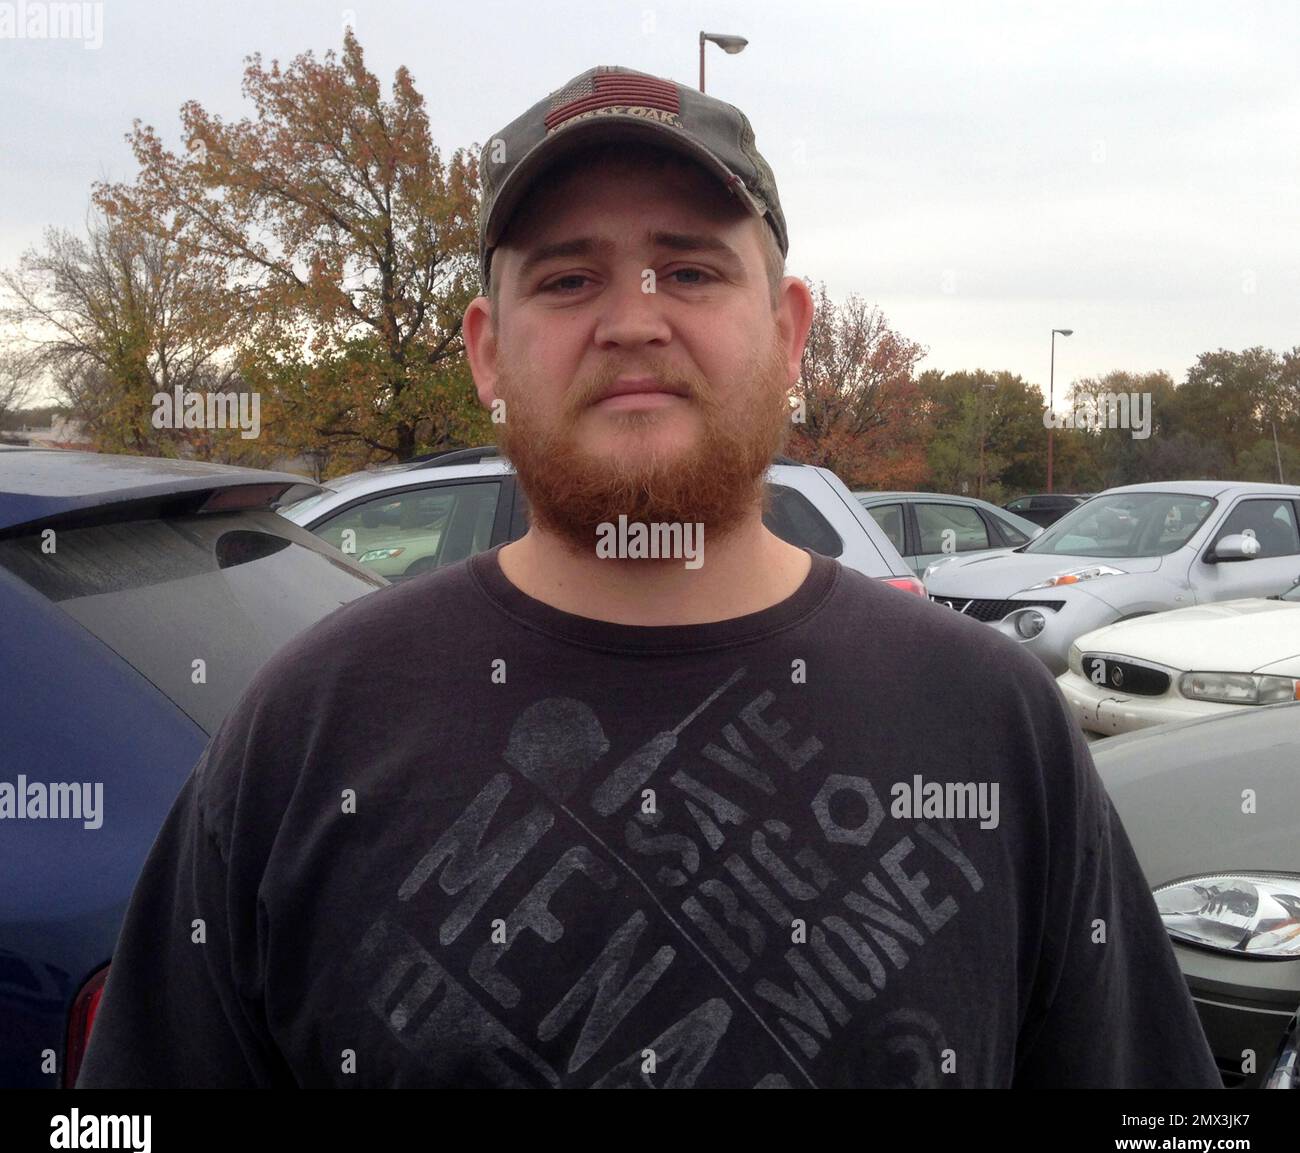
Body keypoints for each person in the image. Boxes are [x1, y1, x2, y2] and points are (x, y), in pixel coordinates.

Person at [77, 65, 1221, 1089]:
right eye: (569, 280)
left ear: (788, 332)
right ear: (486, 348)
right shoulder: (305, 730)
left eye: (688, 267)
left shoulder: (994, 721)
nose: (633, 320)